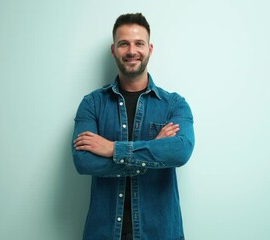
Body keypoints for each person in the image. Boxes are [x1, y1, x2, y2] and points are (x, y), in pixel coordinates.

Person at [72, 13, 195, 240]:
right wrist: (152, 153)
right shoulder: (92, 104)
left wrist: (112, 149)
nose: (131, 51)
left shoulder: (174, 105)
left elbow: (180, 152)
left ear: (149, 48)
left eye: (139, 43)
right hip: (104, 233)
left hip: (160, 233)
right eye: (123, 44)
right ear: (113, 50)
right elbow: (83, 161)